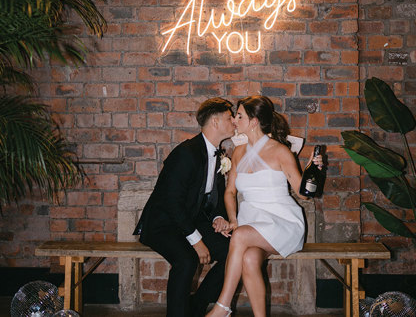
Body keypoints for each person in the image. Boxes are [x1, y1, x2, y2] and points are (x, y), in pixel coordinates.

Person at [207, 95, 323, 317]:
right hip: (253, 223)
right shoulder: (239, 152)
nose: (234, 120)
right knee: (249, 258)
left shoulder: (280, 151)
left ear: (253, 121)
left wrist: (313, 171)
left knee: (240, 236)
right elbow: (230, 192)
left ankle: (222, 307)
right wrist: (233, 219)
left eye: (239, 116)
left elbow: (304, 195)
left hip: (282, 222)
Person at [133, 97, 236, 317]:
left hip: (190, 220)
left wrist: (219, 217)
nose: (234, 122)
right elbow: (172, 202)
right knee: (186, 259)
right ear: (215, 122)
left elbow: (215, 197)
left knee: (233, 251)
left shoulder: (219, 155)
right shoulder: (186, 153)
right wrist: (197, 240)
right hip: (163, 224)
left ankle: (197, 305)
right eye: (230, 118)